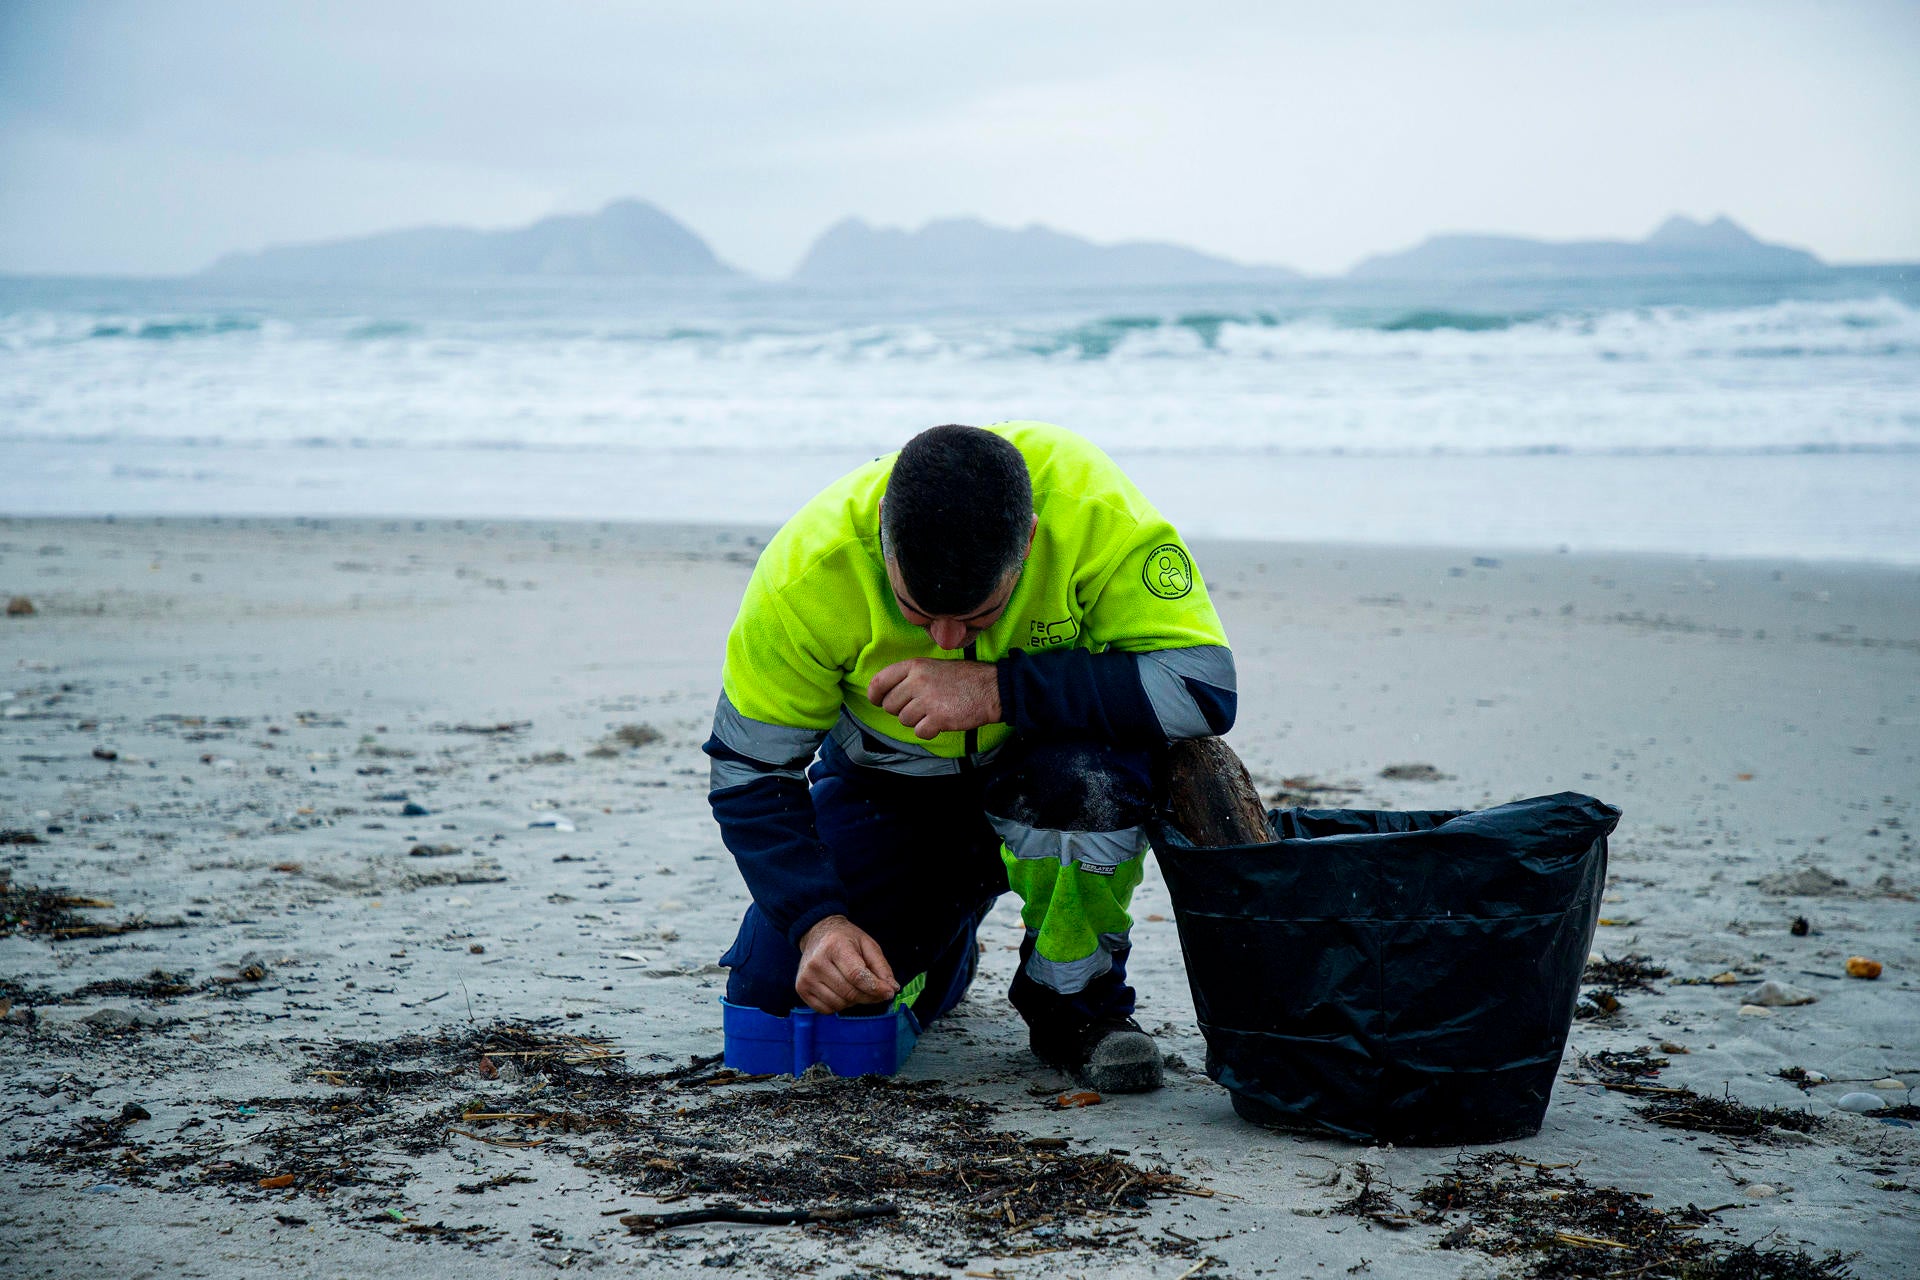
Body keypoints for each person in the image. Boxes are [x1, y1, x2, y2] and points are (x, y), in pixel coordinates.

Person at [703, 421, 1235, 1091]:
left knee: (1083, 785)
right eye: (915, 610)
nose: (946, 638)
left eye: (980, 616)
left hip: (1055, 778)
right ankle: (946, 948)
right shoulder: (807, 572)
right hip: (892, 794)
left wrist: (1000, 689)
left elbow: (1205, 687)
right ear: (882, 539)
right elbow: (750, 772)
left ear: (1031, 541)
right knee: (778, 994)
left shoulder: (1092, 510)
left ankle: (1074, 1006)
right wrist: (817, 922)